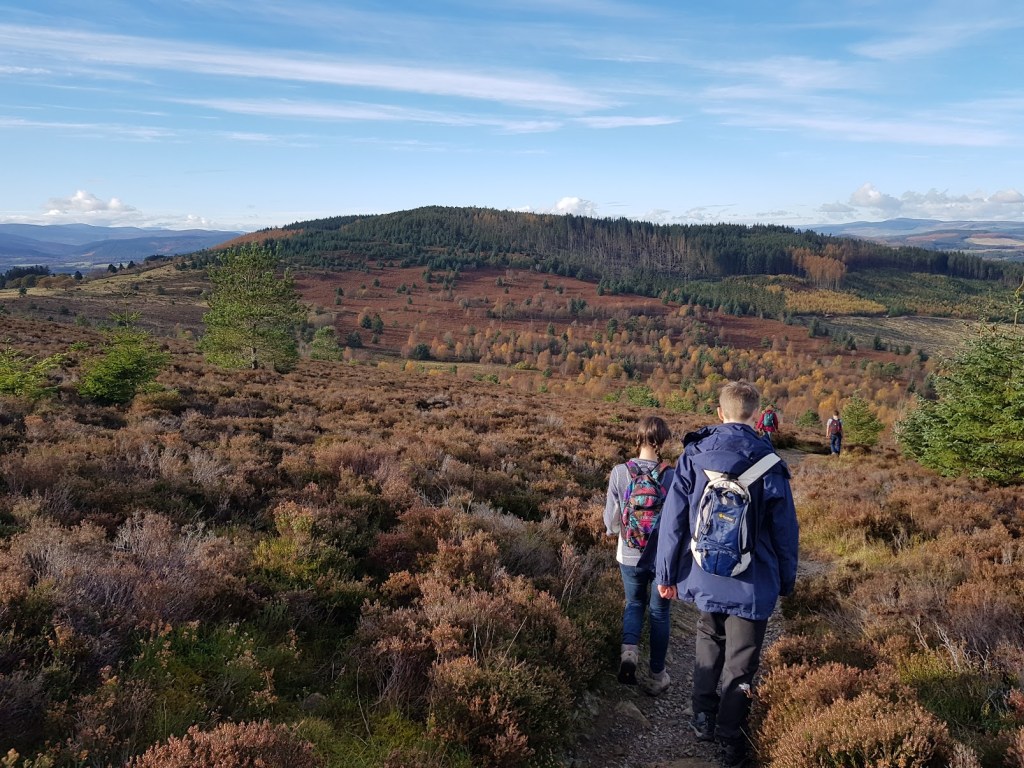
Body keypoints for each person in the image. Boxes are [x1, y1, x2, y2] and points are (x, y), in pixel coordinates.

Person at [655, 381, 798, 767]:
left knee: (709, 638)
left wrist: (666, 574)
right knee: (742, 658)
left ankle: (703, 717)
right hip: (754, 581)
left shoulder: (693, 456)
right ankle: (731, 737)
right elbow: (785, 532)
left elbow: (673, 522)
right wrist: (786, 580)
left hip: (705, 573)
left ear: (719, 413)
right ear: (757, 414)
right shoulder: (770, 463)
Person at [604, 415, 675, 696]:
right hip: (661, 558)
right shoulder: (671, 475)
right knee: (659, 613)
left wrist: (618, 531)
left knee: (634, 604)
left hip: (629, 554)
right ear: (663, 441)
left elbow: (611, 521)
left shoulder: (620, 472)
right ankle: (657, 674)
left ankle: (629, 654)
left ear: (639, 438)